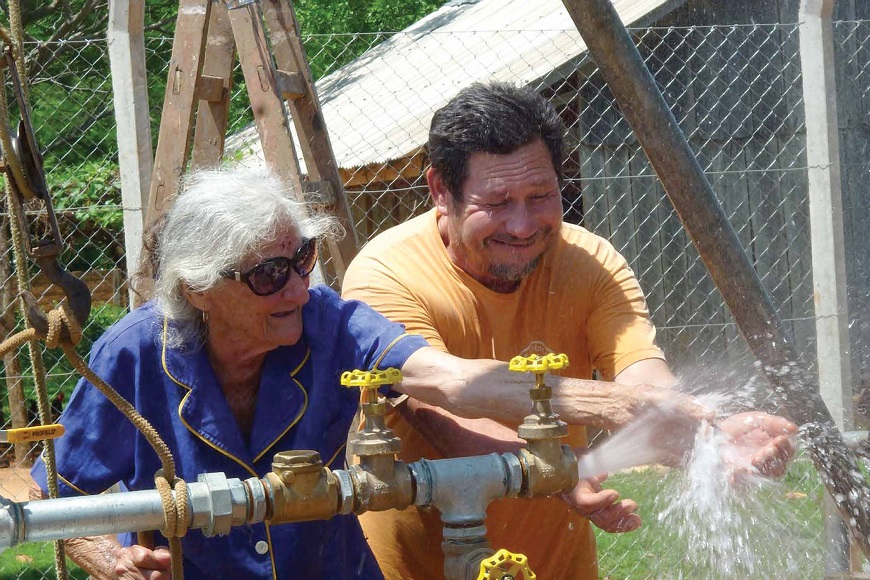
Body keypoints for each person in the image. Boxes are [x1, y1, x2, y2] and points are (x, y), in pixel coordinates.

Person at [26, 165, 713, 579]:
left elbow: (448, 379)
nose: (299, 288)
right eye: (270, 275)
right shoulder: (135, 352)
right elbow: (55, 489)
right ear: (200, 288)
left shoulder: (328, 321)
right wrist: (107, 557)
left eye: (301, 261)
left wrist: (616, 405)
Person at [341, 82, 798, 579]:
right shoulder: (386, 274)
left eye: (540, 196)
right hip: (423, 567)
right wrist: (563, 469)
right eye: (496, 203)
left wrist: (707, 439)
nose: (522, 225)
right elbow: (435, 411)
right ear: (439, 190)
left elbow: (641, 375)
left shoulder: (591, 262)